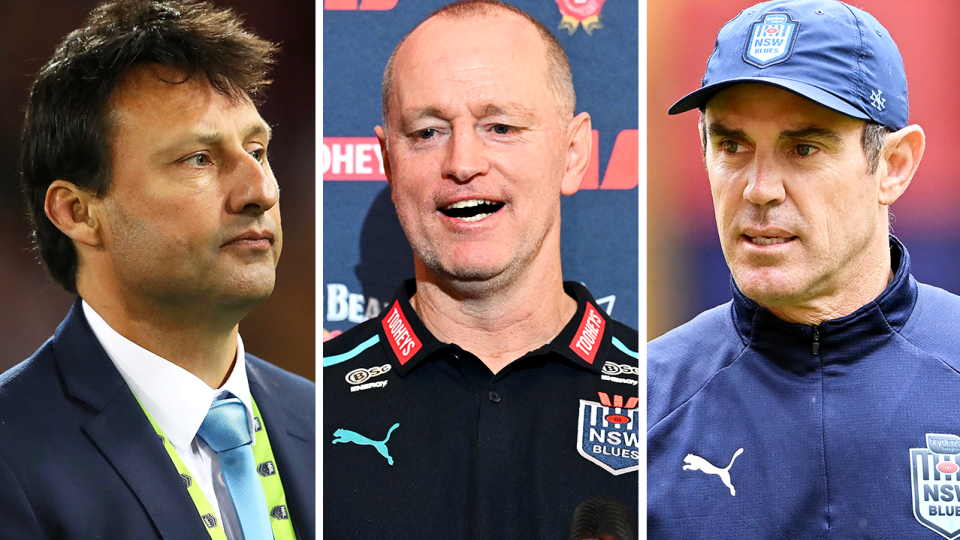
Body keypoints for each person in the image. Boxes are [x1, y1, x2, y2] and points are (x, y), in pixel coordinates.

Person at [322, 1, 639, 539]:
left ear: (574, 153)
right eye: (427, 132)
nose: (463, 163)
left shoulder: (669, 395)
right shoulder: (309, 406)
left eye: (501, 126)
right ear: (387, 161)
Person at [0, 1, 314, 539]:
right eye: (199, 159)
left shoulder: (328, 422)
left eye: (257, 150)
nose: (259, 192)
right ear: (78, 212)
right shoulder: (11, 454)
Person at [647, 0, 960, 538]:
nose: (760, 189)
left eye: (805, 148)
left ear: (893, 166)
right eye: (732, 145)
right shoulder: (645, 402)